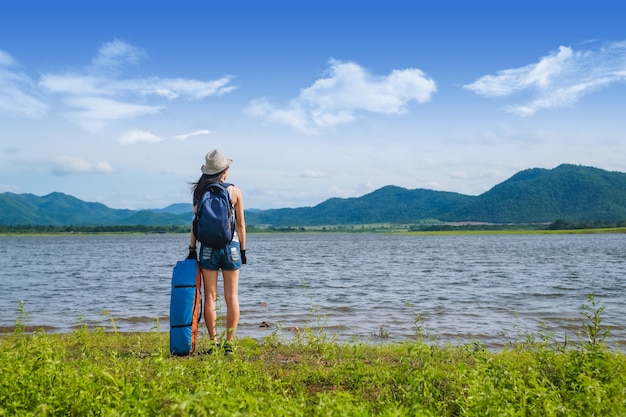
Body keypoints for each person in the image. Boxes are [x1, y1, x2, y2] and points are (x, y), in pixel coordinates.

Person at [188, 149, 246, 355]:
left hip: (207, 249)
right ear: (224, 171)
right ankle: (229, 343)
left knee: (211, 297)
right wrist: (243, 251)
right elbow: (241, 226)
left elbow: (195, 224)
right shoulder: (235, 192)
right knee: (232, 297)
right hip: (231, 247)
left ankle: (214, 343)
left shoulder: (200, 193)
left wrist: (192, 249)